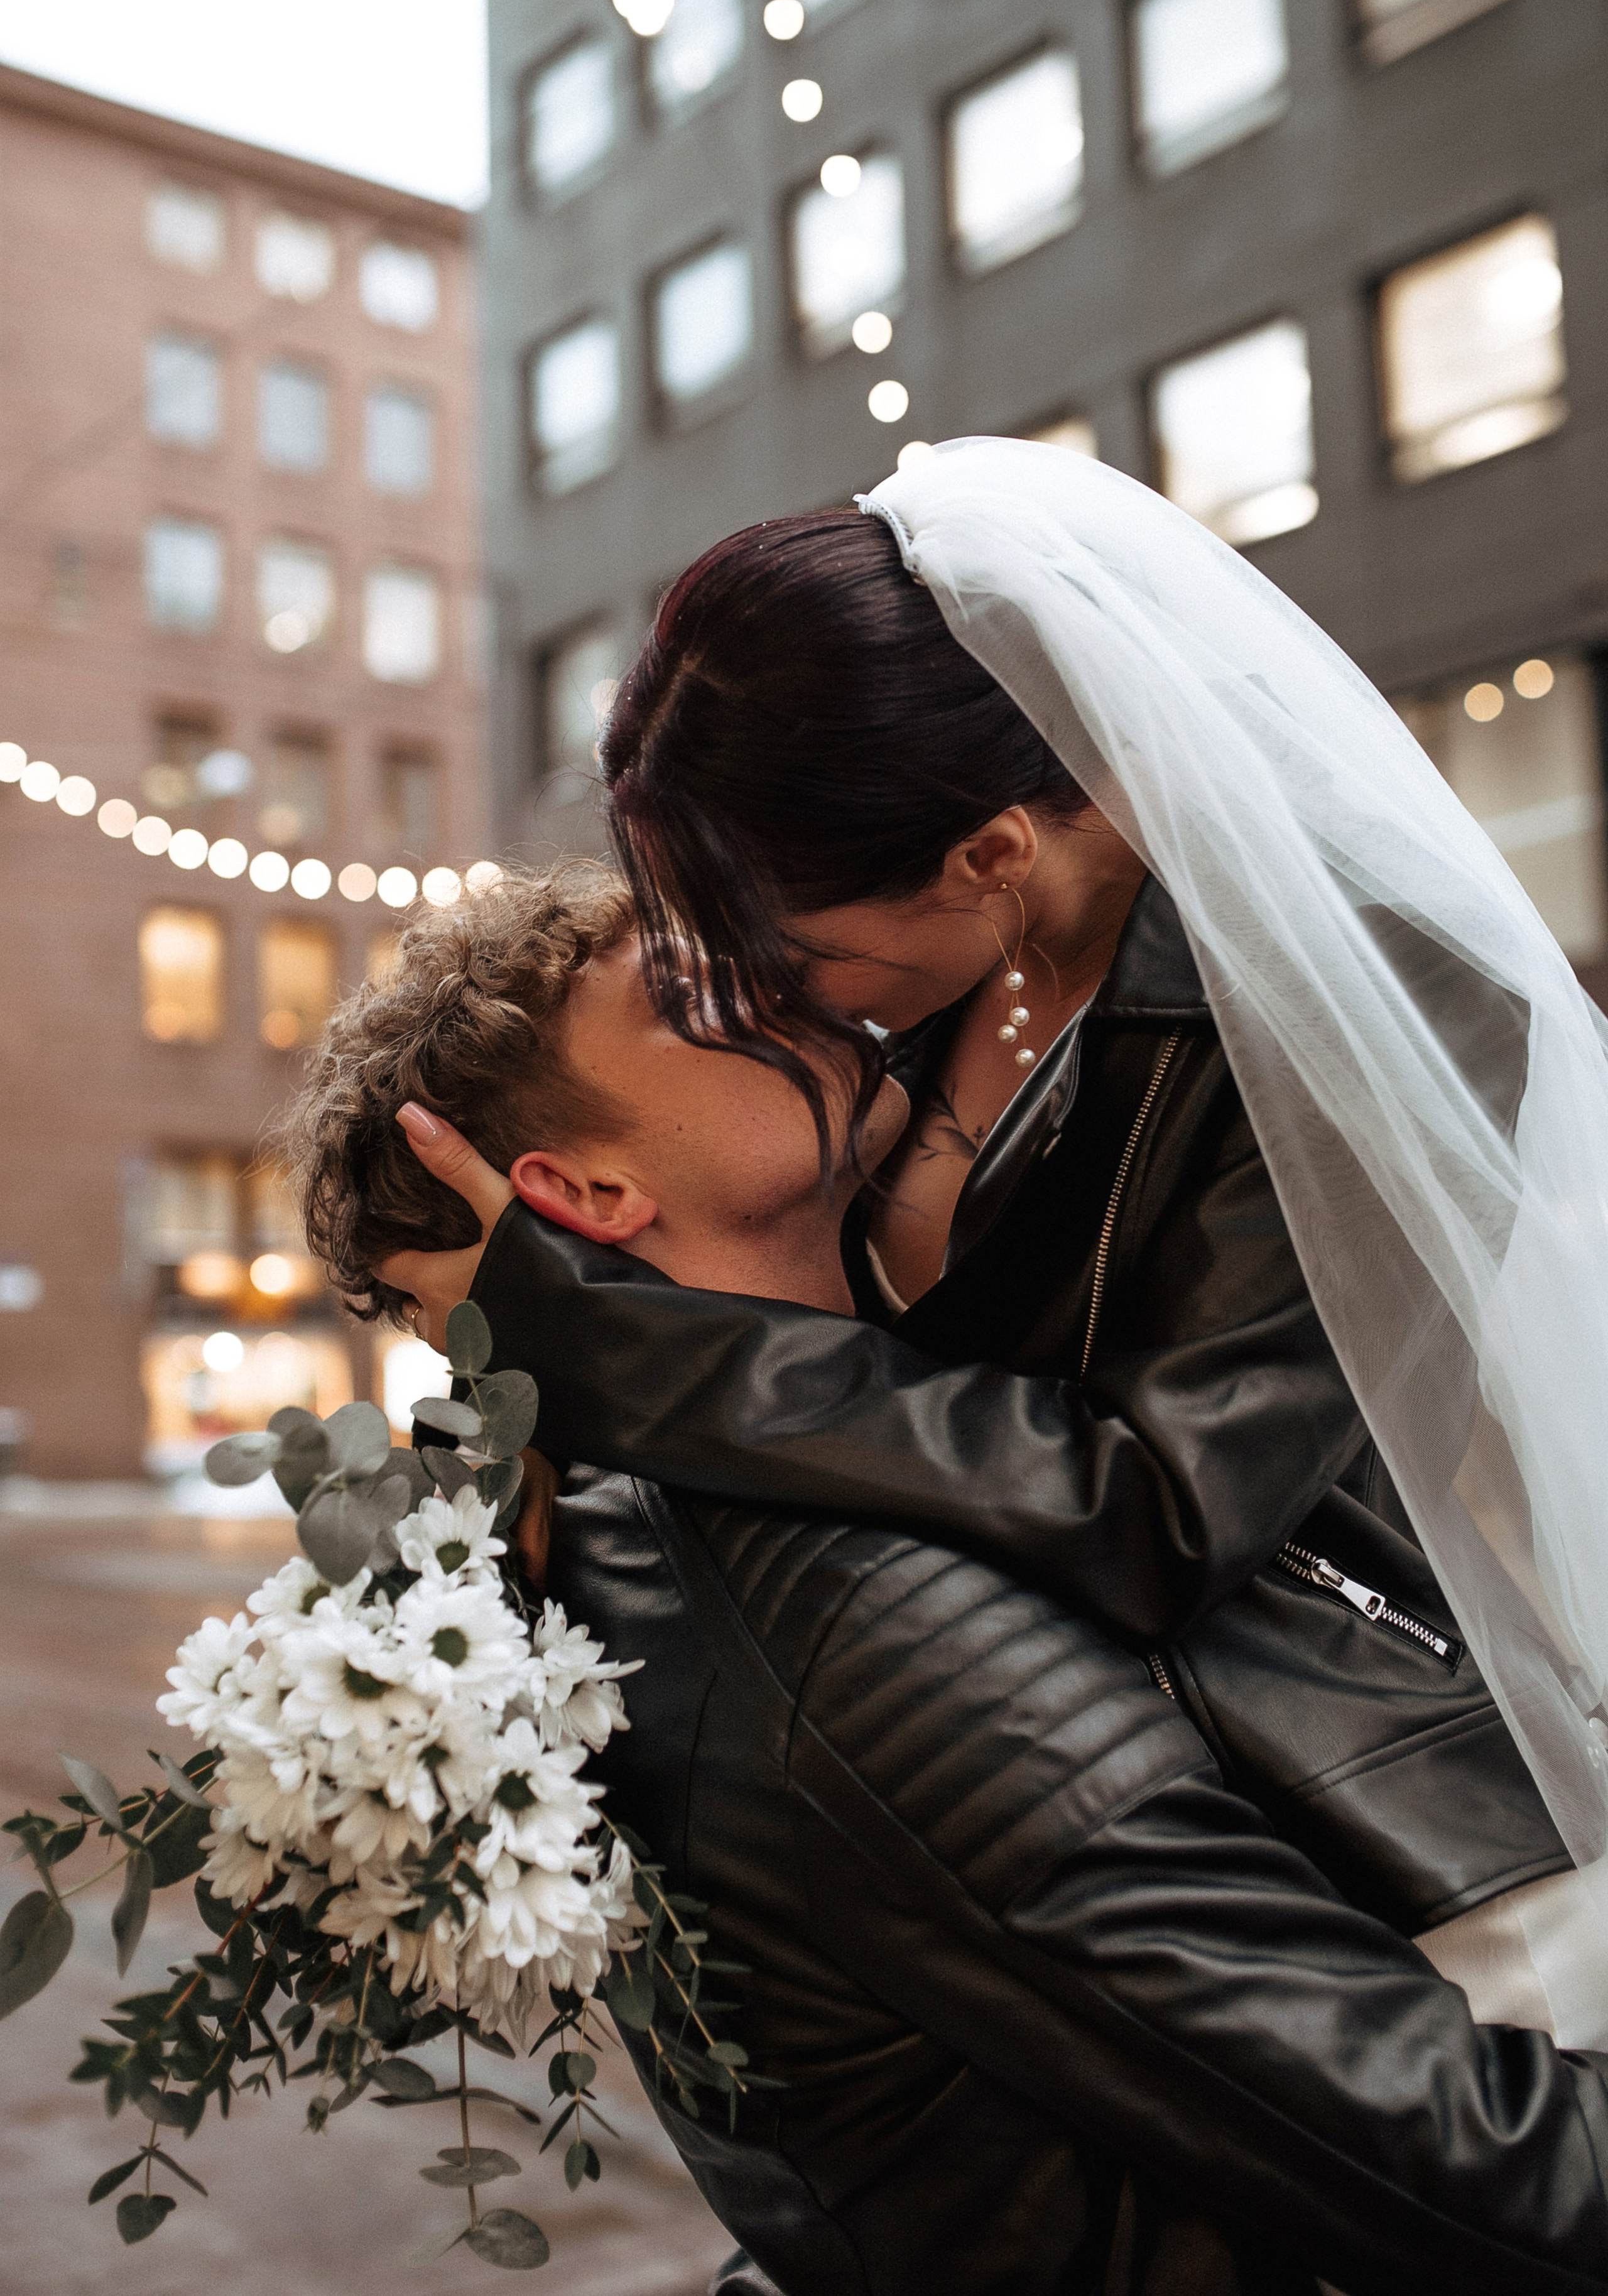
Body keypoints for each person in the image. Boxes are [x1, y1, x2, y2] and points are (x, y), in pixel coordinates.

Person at [379, 440, 1608, 2014]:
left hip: (1394, 1862)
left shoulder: (1390, 1003)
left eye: (790, 945)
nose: (766, 997)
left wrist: (633, 1349)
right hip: (1076, 1855)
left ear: (988, 858)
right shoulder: (906, 1009)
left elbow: (1161, 1507)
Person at [287, 870, 1608, 2294]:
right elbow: (1493, 2167)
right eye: (692, 998)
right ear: (587, 1195)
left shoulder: (669, 1512)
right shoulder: (863, 1621)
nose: (776, 984)